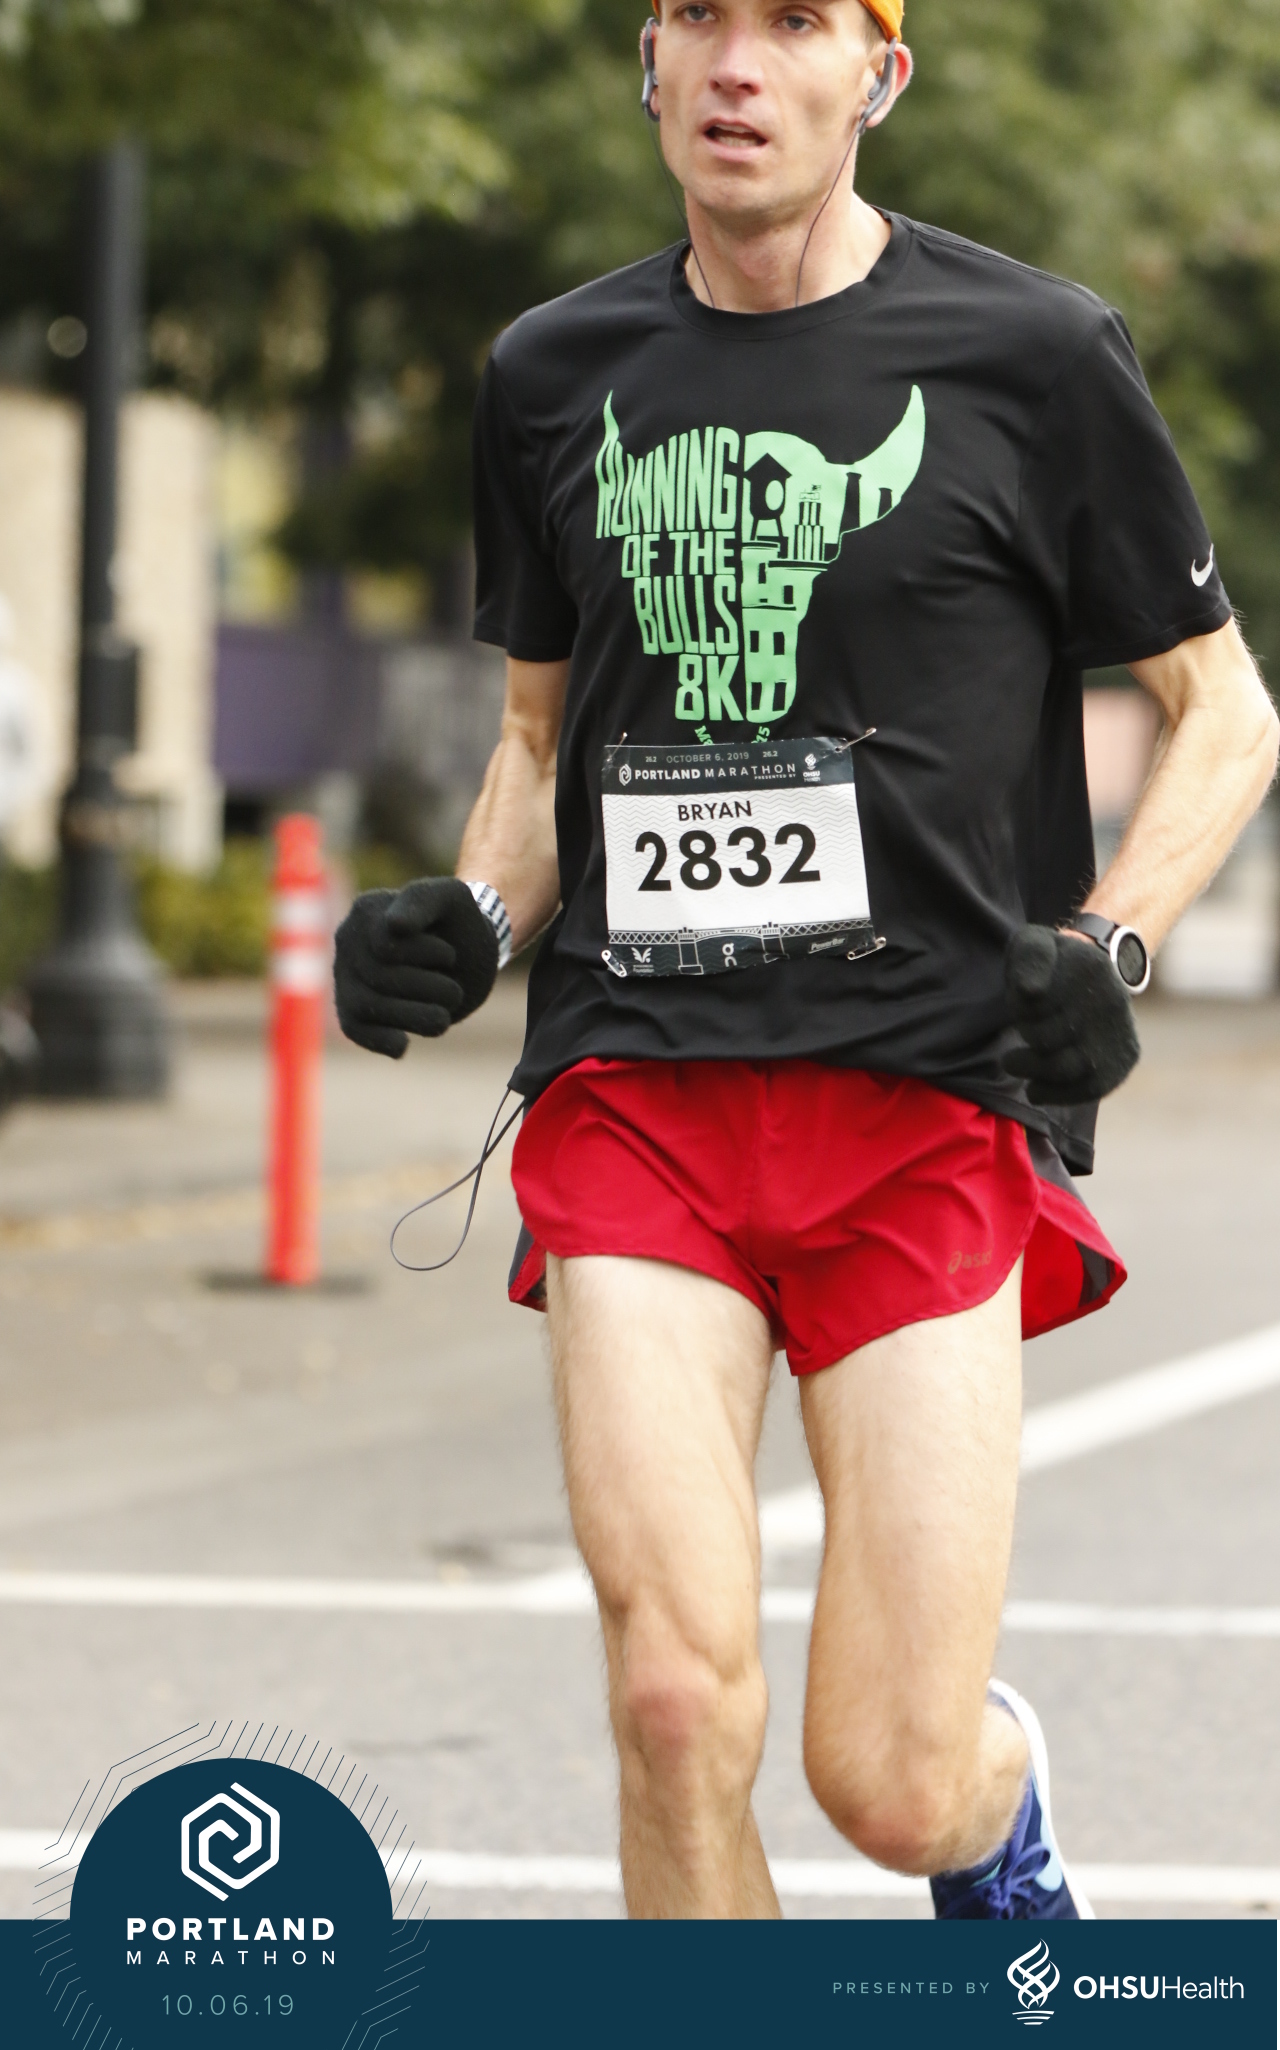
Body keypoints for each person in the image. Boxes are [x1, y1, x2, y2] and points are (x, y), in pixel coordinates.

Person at [335, 0, 1278, 1920]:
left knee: (891, 1779)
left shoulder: (1032, 354)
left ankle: (996, 1814)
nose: (739, 63)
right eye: (698, 16)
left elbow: (1227, 712)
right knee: (674, 1702)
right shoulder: (552, 371)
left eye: (795, 21)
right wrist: (474, 915)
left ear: (881, 76)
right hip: (640, 1097)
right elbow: (539, 740)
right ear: (650, 63)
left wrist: (1111, 942)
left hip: (920, 1099)